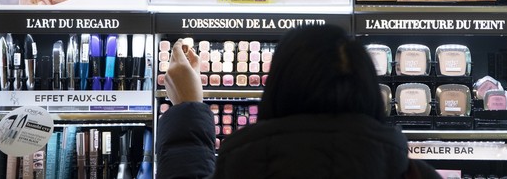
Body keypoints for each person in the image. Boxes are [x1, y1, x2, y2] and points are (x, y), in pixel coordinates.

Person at [156, 25, 441, 179]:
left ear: (277, 88)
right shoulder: (414, 174)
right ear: (370, 94)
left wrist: (187, 107)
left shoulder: (239, 165)